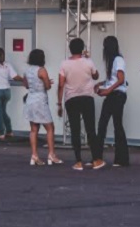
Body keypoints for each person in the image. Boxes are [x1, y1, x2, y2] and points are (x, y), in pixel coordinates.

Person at [58, 38, 105, 171]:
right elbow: (96, 76)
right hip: (87, 98)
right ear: (82, 48)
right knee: (91, 129)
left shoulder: (64, 64)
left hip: (71, 99)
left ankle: (78, 161)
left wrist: (59, 103)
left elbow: (61, 84)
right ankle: (96, 159)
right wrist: (88, 59)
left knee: (75, 130)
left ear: (70, 49)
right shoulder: (88, 62)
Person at [22, 49, 62, 166]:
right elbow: (48, 86)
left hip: (30, 99)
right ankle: (51, 154)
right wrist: (47, 82)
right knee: (50, 127)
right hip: (40, 101)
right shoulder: (42, 70)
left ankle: (34, 155)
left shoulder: (27, 70)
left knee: (34, 129)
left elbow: (26, 85)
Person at [95, 36, 129, 167]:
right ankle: (98, 157)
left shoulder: (118, 60)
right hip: (114, 95)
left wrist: (108, 90)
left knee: (115, 125)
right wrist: (100, 83)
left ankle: (121, 159)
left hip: (117, 95)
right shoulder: (114, 61)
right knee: (105, 124)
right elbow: (114, 79)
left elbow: (121, 79)